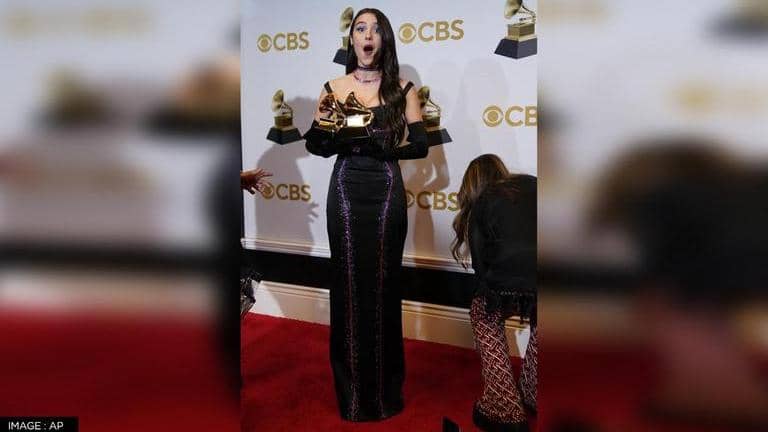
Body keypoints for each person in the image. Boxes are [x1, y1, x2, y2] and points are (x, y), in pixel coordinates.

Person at [302, 7, 429, 422]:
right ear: (352, 39)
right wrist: (327, 133)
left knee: (384, 286)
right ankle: (353, 397)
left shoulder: (403, 89)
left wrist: (383, 147)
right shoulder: (334, 88)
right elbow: (316, 144)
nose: (368, 35)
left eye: (375, 29)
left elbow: (421, 146)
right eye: (360, 28)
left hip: (387, 192)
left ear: (384, 39)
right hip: (345, 192)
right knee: (348, 287)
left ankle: (386, 395)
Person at [451, 154, 537, 432]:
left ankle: (503, 409)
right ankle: (534, 390)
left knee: (483, 313)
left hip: (506, 278)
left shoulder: (481, 203)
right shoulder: (531, 184)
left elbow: (483, 275)